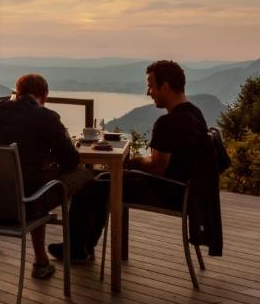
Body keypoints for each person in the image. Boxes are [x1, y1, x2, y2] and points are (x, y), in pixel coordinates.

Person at [51, 59, 209, 261]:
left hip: (168, 191)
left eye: (151, 86)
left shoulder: (168, 122)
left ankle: (76, 249)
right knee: (102, 181)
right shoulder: (195, 114)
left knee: (89, 187)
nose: (148, 92)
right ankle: (83, 247)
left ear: (166, 86)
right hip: (186, 191)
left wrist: (133, 163)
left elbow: (157, 167)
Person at [0, 73, 90, 279]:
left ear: (16, 93)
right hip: (21, 206)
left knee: (32, 181)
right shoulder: (47, 118)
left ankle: (42, 260)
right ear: (45, 96)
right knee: (82, 175)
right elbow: (71, 161)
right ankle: (70, 249)